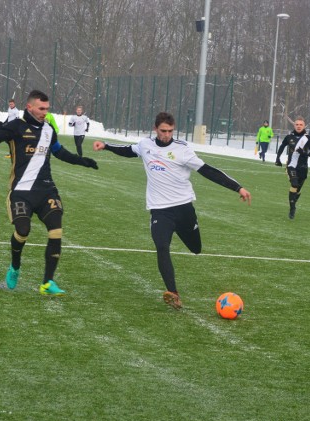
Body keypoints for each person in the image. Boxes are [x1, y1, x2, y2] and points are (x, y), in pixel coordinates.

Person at [92, 112, 251, 309]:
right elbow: (129, 150)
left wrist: (238, 187)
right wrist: (106, 146)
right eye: (163, 131)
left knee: (195, 249)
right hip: (160, 210)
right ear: (155, 129)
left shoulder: (182, 150)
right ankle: (173, 293)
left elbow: (208, 170)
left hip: (184, 208)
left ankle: (186, 245)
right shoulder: (145, 145)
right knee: (162, 246)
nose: (166, 135)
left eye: (170, 131)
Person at [0, 90, 99, 295]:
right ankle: (15, 267)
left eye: (47, 108)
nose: (45, 112)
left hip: (46, 191)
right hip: (21, 191)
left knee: (56, 230)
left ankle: (47, 283)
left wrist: (82, 161)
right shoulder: (16, 126)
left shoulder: (49, 129)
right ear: (30, 107)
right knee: (23, 231)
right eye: (41, 108)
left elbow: (59, 151)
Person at [275, 116, 310, 219]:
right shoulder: (289, 137)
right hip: (291, 166)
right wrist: (277, 158)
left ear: (304, 126)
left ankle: (293, 200)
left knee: (297, 189)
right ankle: (292, 209)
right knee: (294, 184)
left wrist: (304, 152)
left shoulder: (308, 138)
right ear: (294, 125)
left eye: (300, 124)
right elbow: (282, 147)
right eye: (297, 124)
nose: (298, 126)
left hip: (303, 167)